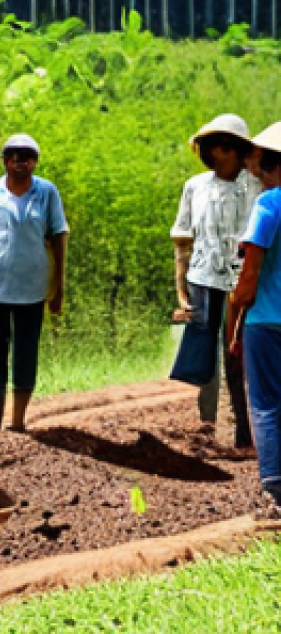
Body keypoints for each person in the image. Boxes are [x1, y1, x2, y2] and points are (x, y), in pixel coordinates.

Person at [0, 134, 68, 432]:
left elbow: (59, 236)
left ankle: (18, 421)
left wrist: (58, 286)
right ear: (4, 160)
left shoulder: (46, 193)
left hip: (32, 288)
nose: (19, 161)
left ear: (35, 161)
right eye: (12, 155)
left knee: (25, 352)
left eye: (26, 155)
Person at [171, 114, 258, 448]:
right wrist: (181, 289)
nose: (210, 153)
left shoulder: (257, 186)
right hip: (203, 278)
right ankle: (208, 427)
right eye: (206, 147)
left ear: (234, 149)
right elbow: (183, 239)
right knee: (202, 354)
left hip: (243, 280)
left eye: (218, 147)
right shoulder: (195, 187)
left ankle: (244, 430)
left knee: (236, 352)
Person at [227, 121, 281, 515]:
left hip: (266, 319)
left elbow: (251, 270)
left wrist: (236, 312)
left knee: (264, 403)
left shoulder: (268, 205)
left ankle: (276, 489)